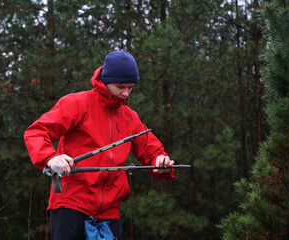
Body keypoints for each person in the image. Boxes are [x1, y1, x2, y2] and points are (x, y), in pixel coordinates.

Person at [24, 50, 175, 240]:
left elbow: (153, 153)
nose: (126, 93)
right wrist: (50, 157)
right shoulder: (77, 104)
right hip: (71, 205)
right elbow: (36, 132)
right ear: (105, 81)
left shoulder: (130, 118)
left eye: (130, 87)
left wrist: (161, 163)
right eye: (120, 86)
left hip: (109, 212)